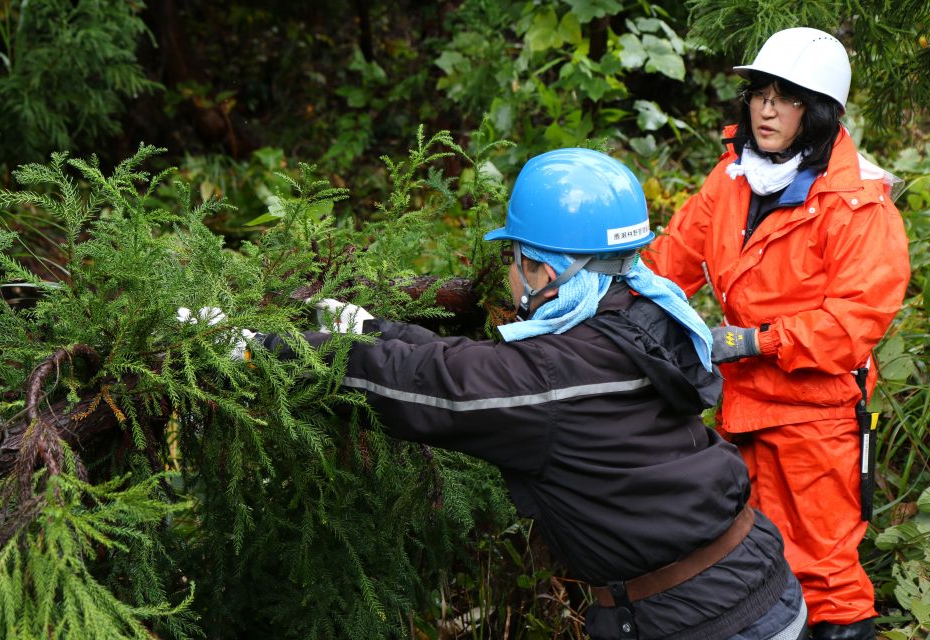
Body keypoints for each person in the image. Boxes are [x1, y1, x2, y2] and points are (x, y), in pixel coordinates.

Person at [242, 148, 810, 639]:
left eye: (512, 258)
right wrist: (372, 331)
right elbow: (470, 367)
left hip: (695, 623)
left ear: (542, 270)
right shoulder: (645, 324)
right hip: (761, 585)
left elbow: (437, 388)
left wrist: (260, 350)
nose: (509, 276)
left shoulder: (559, 372)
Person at [643, 27, 911, 640]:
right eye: (760, 93)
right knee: (749, 566)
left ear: (817, 113)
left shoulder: (856, 206)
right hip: (740, 409)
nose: (767, 108)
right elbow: (668, 265)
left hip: (816, 419)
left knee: (825, 576)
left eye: (787, 97)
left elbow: (852, 326)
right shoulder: (734, 178)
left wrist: (757, 341)